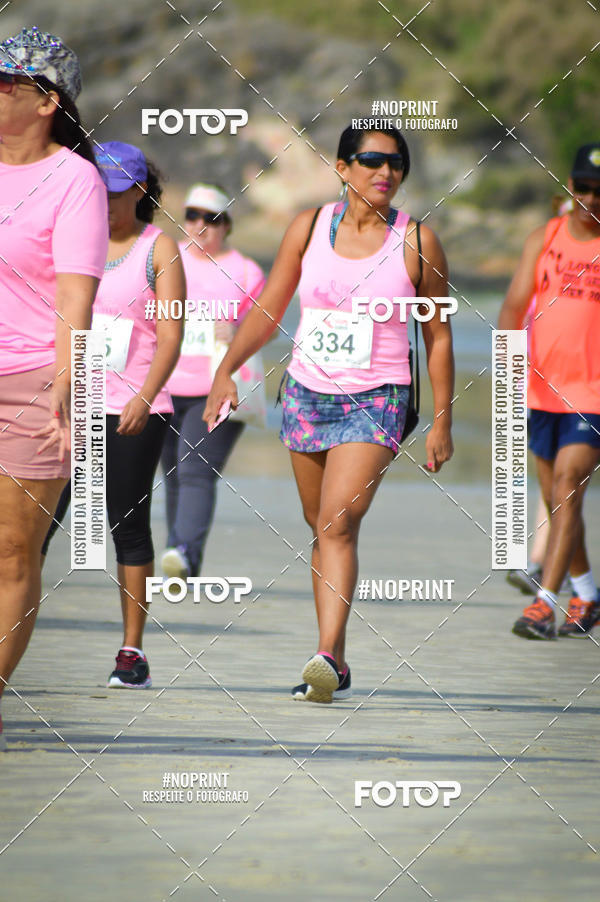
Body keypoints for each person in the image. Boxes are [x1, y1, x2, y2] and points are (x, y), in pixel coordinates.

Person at [204, 123, 454, 702]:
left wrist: (442, 420)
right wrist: (227, 368)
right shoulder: (309, 227)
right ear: (343, 168)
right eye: (372, 161)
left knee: (338, 522)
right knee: (320, 525)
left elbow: (438, 335)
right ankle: (335, 661)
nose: (385, 172)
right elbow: (271, 307)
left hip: (379, 397)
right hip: (306, 393)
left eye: (396, 163)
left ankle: (321, 651)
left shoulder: (417, 242)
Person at [41, 141, 185, 687]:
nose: (104, 201)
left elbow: (171, 335)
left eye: (116, 192)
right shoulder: (70, 238)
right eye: (97, 190)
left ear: (140, 191)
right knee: (37, 523)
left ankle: (132, 651)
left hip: (132, 410)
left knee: (126, 524)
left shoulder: (159, 249)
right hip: (68, 406)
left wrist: (145, 396)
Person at [0, 27, 108, 747]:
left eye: (7, 79)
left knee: (13, 550)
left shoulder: (75, 180)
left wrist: (68, 393)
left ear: (48, 101)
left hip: (35, 380)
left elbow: (76, 300)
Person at [499, 142, 600, 639]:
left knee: (567, 486)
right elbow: (514, 306)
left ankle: (544, 604)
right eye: (584, 187)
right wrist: (508, 369)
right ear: (570, 187)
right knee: (559, 500)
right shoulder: (545, 237)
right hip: (540, 392)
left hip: (593, 396)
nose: (592, 198)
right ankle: (587, 593)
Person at [160, 183, 265, 579]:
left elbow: (267, 325)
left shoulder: (246, 272)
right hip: (163, 386)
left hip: (218, 387)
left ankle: (183, 552)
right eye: (193, 216)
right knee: (173, 474)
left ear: (227, 225)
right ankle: (181, 559)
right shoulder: (165, 258)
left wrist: (238, 331)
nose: (201, 226)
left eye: (212, 218)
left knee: (195, 471)